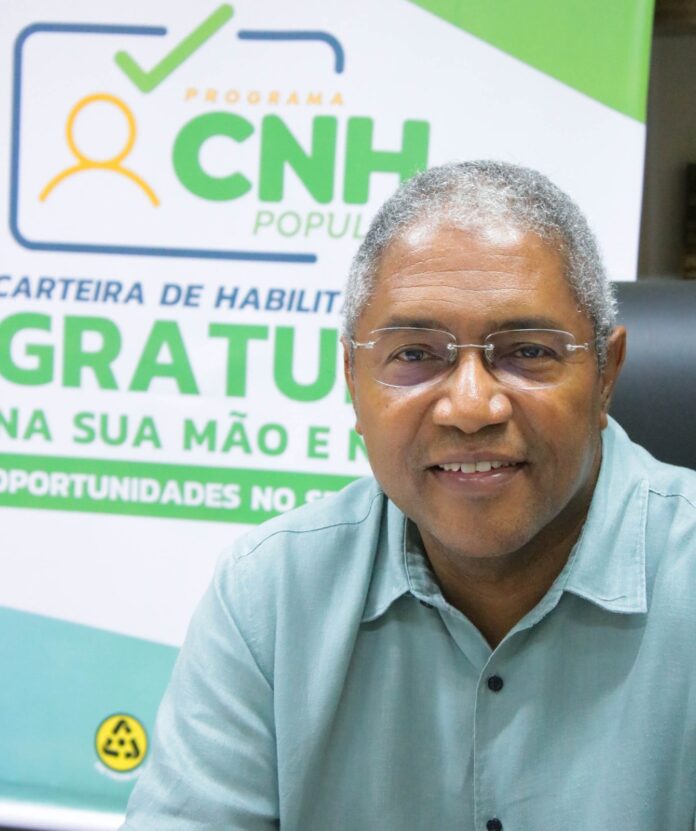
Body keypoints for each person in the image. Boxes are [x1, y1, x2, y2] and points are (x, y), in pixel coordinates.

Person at [121, 162, 696, 831]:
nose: (471, 406)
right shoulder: (271, 594)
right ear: (352, 379)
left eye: (528, 350)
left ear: (605, 375)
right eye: (416, 355)